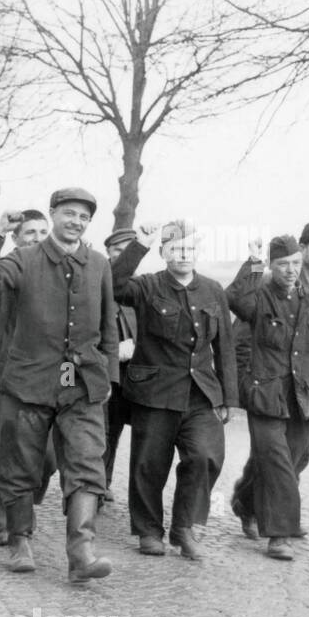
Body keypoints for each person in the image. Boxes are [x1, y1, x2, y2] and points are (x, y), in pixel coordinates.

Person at [0, 186, 117, 582]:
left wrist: (109, 377)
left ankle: (82, 553)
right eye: (69, 214)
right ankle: (19, 540)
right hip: (27, 382)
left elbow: (109, 328)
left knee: (87, 463)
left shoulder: (99, 264)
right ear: (53, 214)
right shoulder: (24, 259)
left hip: (81, 384)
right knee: (20, 465)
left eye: (83, 217)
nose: (76, 222)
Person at [226, 235, 309, 559]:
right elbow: (234, 298)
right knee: (277, 461)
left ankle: (245, 503)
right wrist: (253, 264)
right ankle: (280, 535)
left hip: (302, 397)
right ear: (272, 266)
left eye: (295, 263)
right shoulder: (259, 299)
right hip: (265, 395)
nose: (290, 270)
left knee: (297, 457)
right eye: (282, 264)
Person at [111, 220, 238, 559]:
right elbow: (112, 285)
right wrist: (138, 245)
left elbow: (225, 346)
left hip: (201, 393)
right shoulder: (147, 286)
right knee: (149, 465)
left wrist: (228, 397)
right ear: (164, 253)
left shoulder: (212, 290)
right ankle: (148, 531)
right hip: (154, 392)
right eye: (176, 249)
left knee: (206, 456)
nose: (184, 254)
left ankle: (185, 528)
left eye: (190, 248)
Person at [0, 192, 57, 545]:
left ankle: (24, 502)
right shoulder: (11, 265)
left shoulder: (64, 270)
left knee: (49, 455)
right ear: (17, 239)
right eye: (29, 233)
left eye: (42, 232)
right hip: (5, 374)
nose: (37, 238)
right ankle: (5, 522)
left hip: (51, 376)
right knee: (3, 451)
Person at [100, 228, 139, 501]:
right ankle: (93, 484)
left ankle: (105, 482)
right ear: (108, 252)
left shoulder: (141, 286)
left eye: (129, 250)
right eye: (118, 250)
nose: (124, 255)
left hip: (131, 376)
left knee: (116, 430)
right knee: (100, 430)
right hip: (99, 372)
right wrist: (115, 353)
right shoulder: (98, 280)